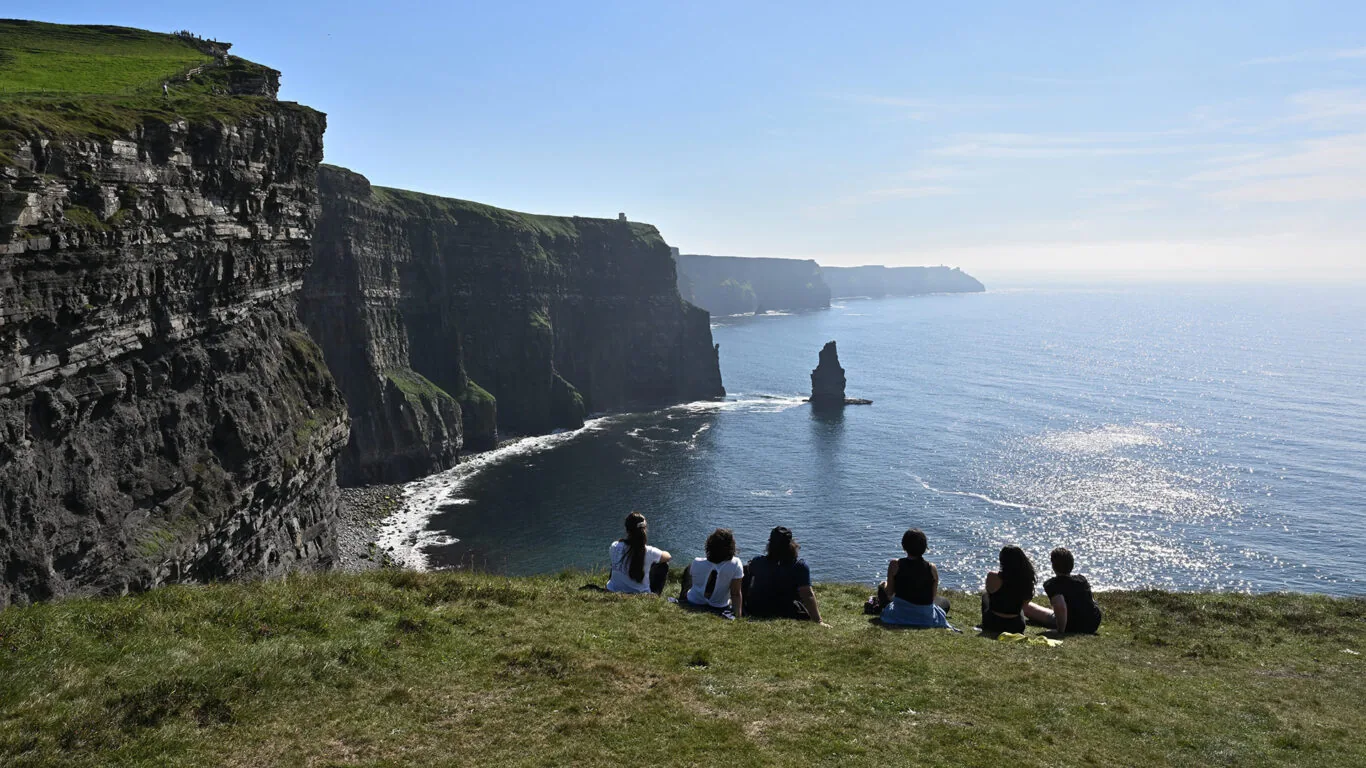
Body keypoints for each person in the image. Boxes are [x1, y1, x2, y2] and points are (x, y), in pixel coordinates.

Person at [742, 526, 827, 625]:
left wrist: (742, 607)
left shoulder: (757, 562)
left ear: (770, 544)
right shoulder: (799, 567)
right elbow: (807, 595)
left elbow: (743, 582)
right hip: (787, 610)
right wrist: (818, 621)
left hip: (757, 608)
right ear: (792, 545)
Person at [874, 528, 951, 628]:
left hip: (900, 614)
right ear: (924, 547)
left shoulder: (895, 564)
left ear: (904, 546)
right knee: (944, 602)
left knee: (882, 589)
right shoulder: (932, 568)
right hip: (925, 616)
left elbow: (889, 593)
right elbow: (932, 597)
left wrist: (883, 586)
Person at [1030, 547, 1103, 634]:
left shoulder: (1052, 584)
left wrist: (1060, 631)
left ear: (1053, 566)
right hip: (1093, 624)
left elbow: (1060, 606)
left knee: (1027, 607)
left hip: (1072, 624)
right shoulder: (1082, 580)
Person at [678, 528, 745, 617]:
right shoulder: (736, 564)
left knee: (689, 570)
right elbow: (735, 593)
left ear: (709, 546)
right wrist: (738, 616)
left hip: (694, 601)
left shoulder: (696, 562)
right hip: (719, 606)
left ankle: (682, 598)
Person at [605, 512, 670, 595]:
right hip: (640, 594)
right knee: (663, 565)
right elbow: (668, 557)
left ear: (627, 529)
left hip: (612, 591)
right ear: (644, 529)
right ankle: (655, 595)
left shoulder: (615, 546)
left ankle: (618, 585)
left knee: (618, 558)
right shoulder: (649, 551)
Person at [979, 545, 1038, 635]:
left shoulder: (993, 576)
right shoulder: (1026, 580)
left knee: (985, 595)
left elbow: (989, 591)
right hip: (1016, 625)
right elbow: (1025, 604)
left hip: (992, 623)